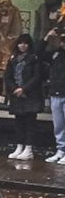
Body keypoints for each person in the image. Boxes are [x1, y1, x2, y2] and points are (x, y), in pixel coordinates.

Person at [4, 33, 43, 161]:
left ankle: (29, 148)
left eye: (25, 43)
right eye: (20, 43)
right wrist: (14, 88)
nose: (23, 46)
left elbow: (37, 77)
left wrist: (24, 88)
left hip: (30, 96)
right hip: (16, 95)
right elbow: (8, 76)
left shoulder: (34, 58)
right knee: (18, 122)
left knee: (30, 122)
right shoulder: (13, 58)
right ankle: (19, 146)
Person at [43, 28, 65, 163]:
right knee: (58, 125)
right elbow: (40, 55)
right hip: (56, 93)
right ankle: (61, 150)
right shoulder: (56, 54)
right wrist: (46, 38)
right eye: (62, 41)